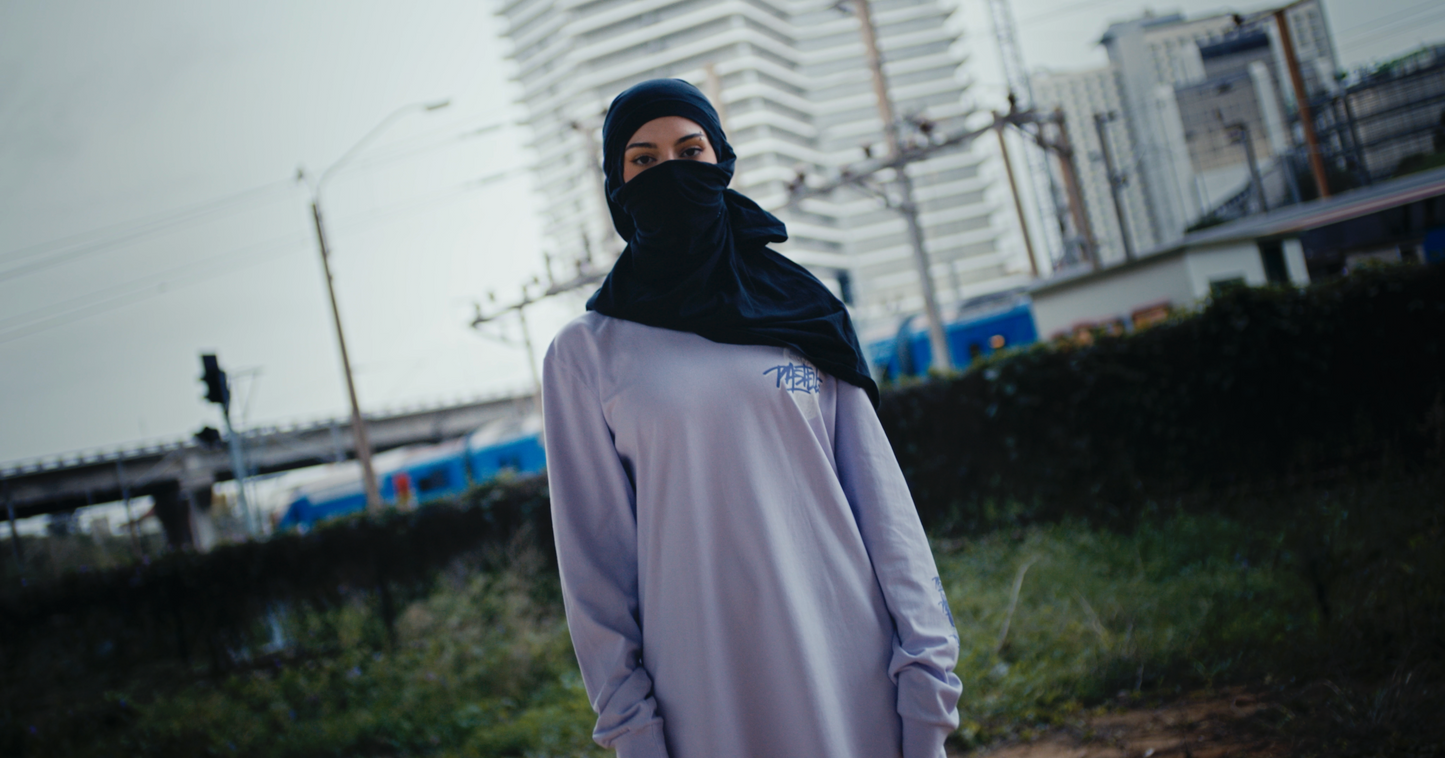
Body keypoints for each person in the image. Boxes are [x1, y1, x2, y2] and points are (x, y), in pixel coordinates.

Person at [543, 78, 962, 758]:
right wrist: (633, 733)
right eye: (643, 161)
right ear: (616, 187)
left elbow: (886, 519)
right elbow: (595, 570)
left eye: (690, 150)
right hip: (704, 702)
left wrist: (927, 689)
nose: (670, 173)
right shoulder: (586, 354)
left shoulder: (801, 311)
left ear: (722, 163)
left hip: (853, 683)